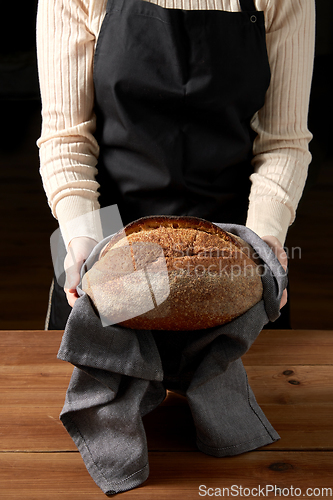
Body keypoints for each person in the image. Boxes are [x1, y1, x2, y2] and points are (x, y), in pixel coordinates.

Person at [36, 0, 315, 329]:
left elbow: (283, 141)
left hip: (232, 255)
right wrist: (84, 241)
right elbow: (67, 137)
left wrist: (262, 243)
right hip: (107, 248)